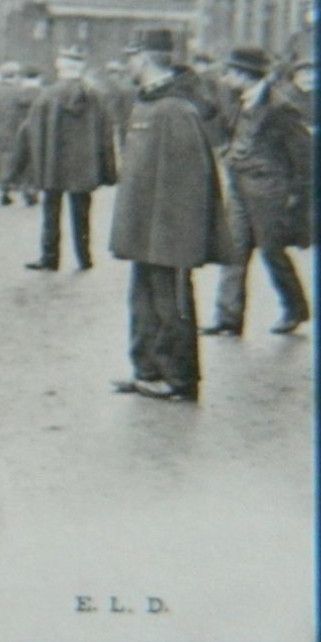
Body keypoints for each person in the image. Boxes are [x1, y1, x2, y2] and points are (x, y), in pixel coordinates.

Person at [109, 28, 232, 403]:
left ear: (144, 59)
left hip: (169, 234)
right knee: (144, 301)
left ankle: (178, 378)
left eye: (130, 57)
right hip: (146, 230)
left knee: (169, 303)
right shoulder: (151, 102)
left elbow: (192, 181)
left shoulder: (175, 108)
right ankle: (147, 371)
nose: (126, 65)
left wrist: (179, 241)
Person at [201, 46, 312, 337]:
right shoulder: (241, 101)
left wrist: (295, 196)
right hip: (239, 186)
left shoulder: (280, 107)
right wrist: (229, 155)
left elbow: (303, 156)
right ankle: (228, 318)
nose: (225, 78)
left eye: (230, 73)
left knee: (272, 251)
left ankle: (295, 308)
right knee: (233, 249)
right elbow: (229, 133)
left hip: (269, 190)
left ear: (244, 75)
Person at [12, 44, 118, 272]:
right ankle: (85, 258)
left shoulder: (48, 96)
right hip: (84, 167)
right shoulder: (95, 97)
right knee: (82, 213)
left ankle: (50, 258)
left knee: (51, 212)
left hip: (53, 166)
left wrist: (18, 168)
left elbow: (29, 132)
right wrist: (107, 169)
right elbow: (106, 134)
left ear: (61, 68)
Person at [0, 61, 38, 206]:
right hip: (19, 131)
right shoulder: (22, 91)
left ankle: (4, 191)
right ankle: (27, 192)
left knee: (4, 161)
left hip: (0, 133)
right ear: (16, 76)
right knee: (23, 161)